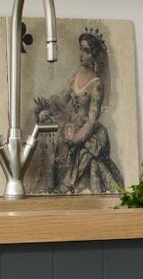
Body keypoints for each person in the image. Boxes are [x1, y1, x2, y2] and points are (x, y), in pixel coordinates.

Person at [44, 29, 125, 195]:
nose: (81, 55)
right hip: (69, 129)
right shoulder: (75, 77)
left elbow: (92, 119)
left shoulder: (97, 84)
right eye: (81, 49)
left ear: (94, 55)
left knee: (84, 159)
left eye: (86, 51)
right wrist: (47, 105)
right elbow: (61, 99)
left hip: (86, 136)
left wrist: (72, 142)